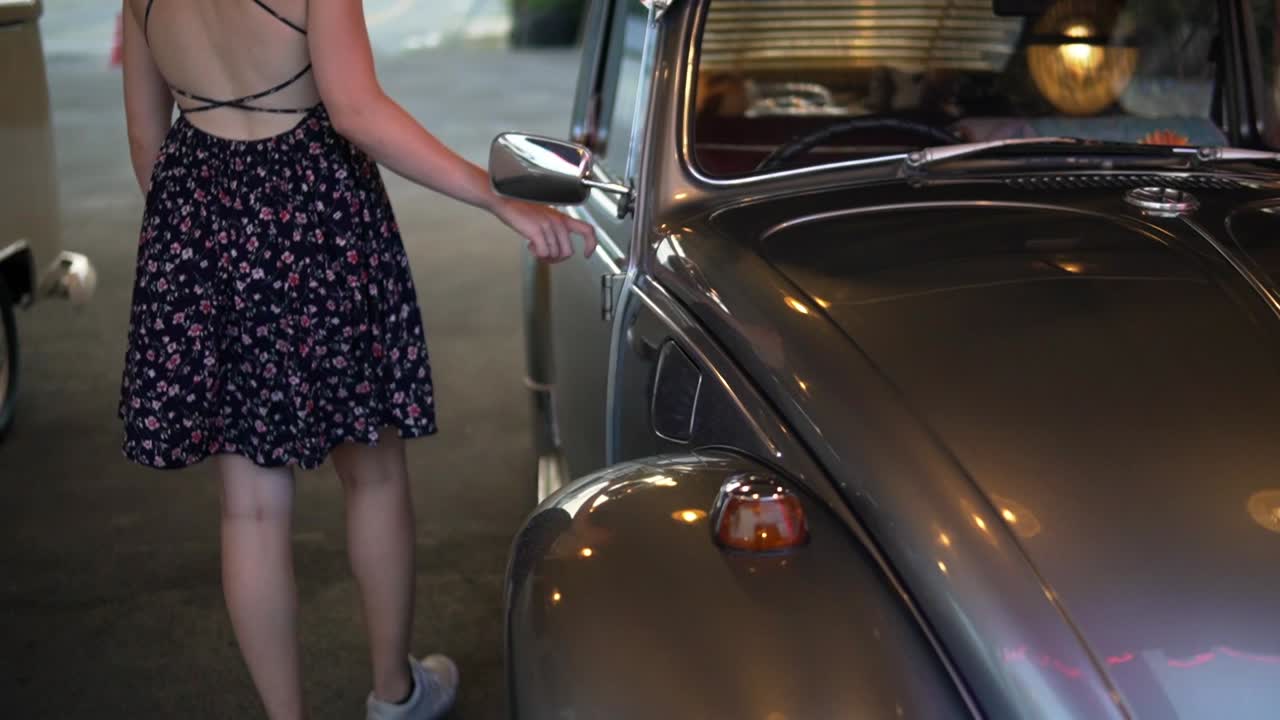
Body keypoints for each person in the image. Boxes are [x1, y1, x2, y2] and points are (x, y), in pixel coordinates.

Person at [118, 2, 596, 719]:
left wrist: (216, 245)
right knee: (371, 472)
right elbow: (356, 112)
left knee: (248, 508)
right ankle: (394, 695)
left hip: (200, 218)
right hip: (317, 214)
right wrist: (495, 196)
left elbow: (145, 140)